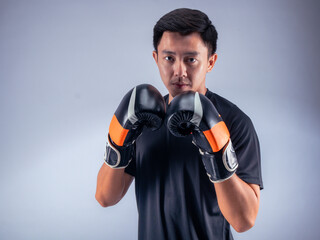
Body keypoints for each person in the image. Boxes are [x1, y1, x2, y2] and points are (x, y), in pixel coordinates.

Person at [95, 8, 263, 240]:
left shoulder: (234, 121)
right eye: (169, 58)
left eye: (191, 59)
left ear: (210, 62)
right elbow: (105, 197)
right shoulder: (142, 118)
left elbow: (244, 221)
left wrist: (218, 153)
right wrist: (119, 139)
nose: (179, 71)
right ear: (156, 58)